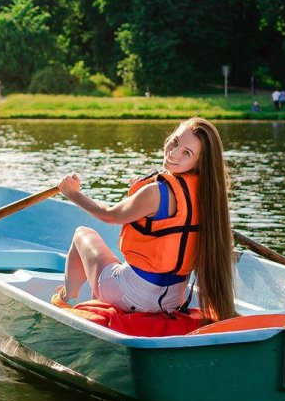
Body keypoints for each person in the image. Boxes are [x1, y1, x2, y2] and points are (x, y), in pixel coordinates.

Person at [54, 117, 236, 323]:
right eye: (175, 142)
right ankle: (95, 302)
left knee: (82, 234)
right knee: (116, 264)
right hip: (173, 300)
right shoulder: (210, 196)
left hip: (133, 296)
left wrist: (72, 193)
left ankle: (65, 299)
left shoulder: (156, 192)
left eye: (187, 153)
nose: (173, 153)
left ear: (199, 162)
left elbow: (109, 215)